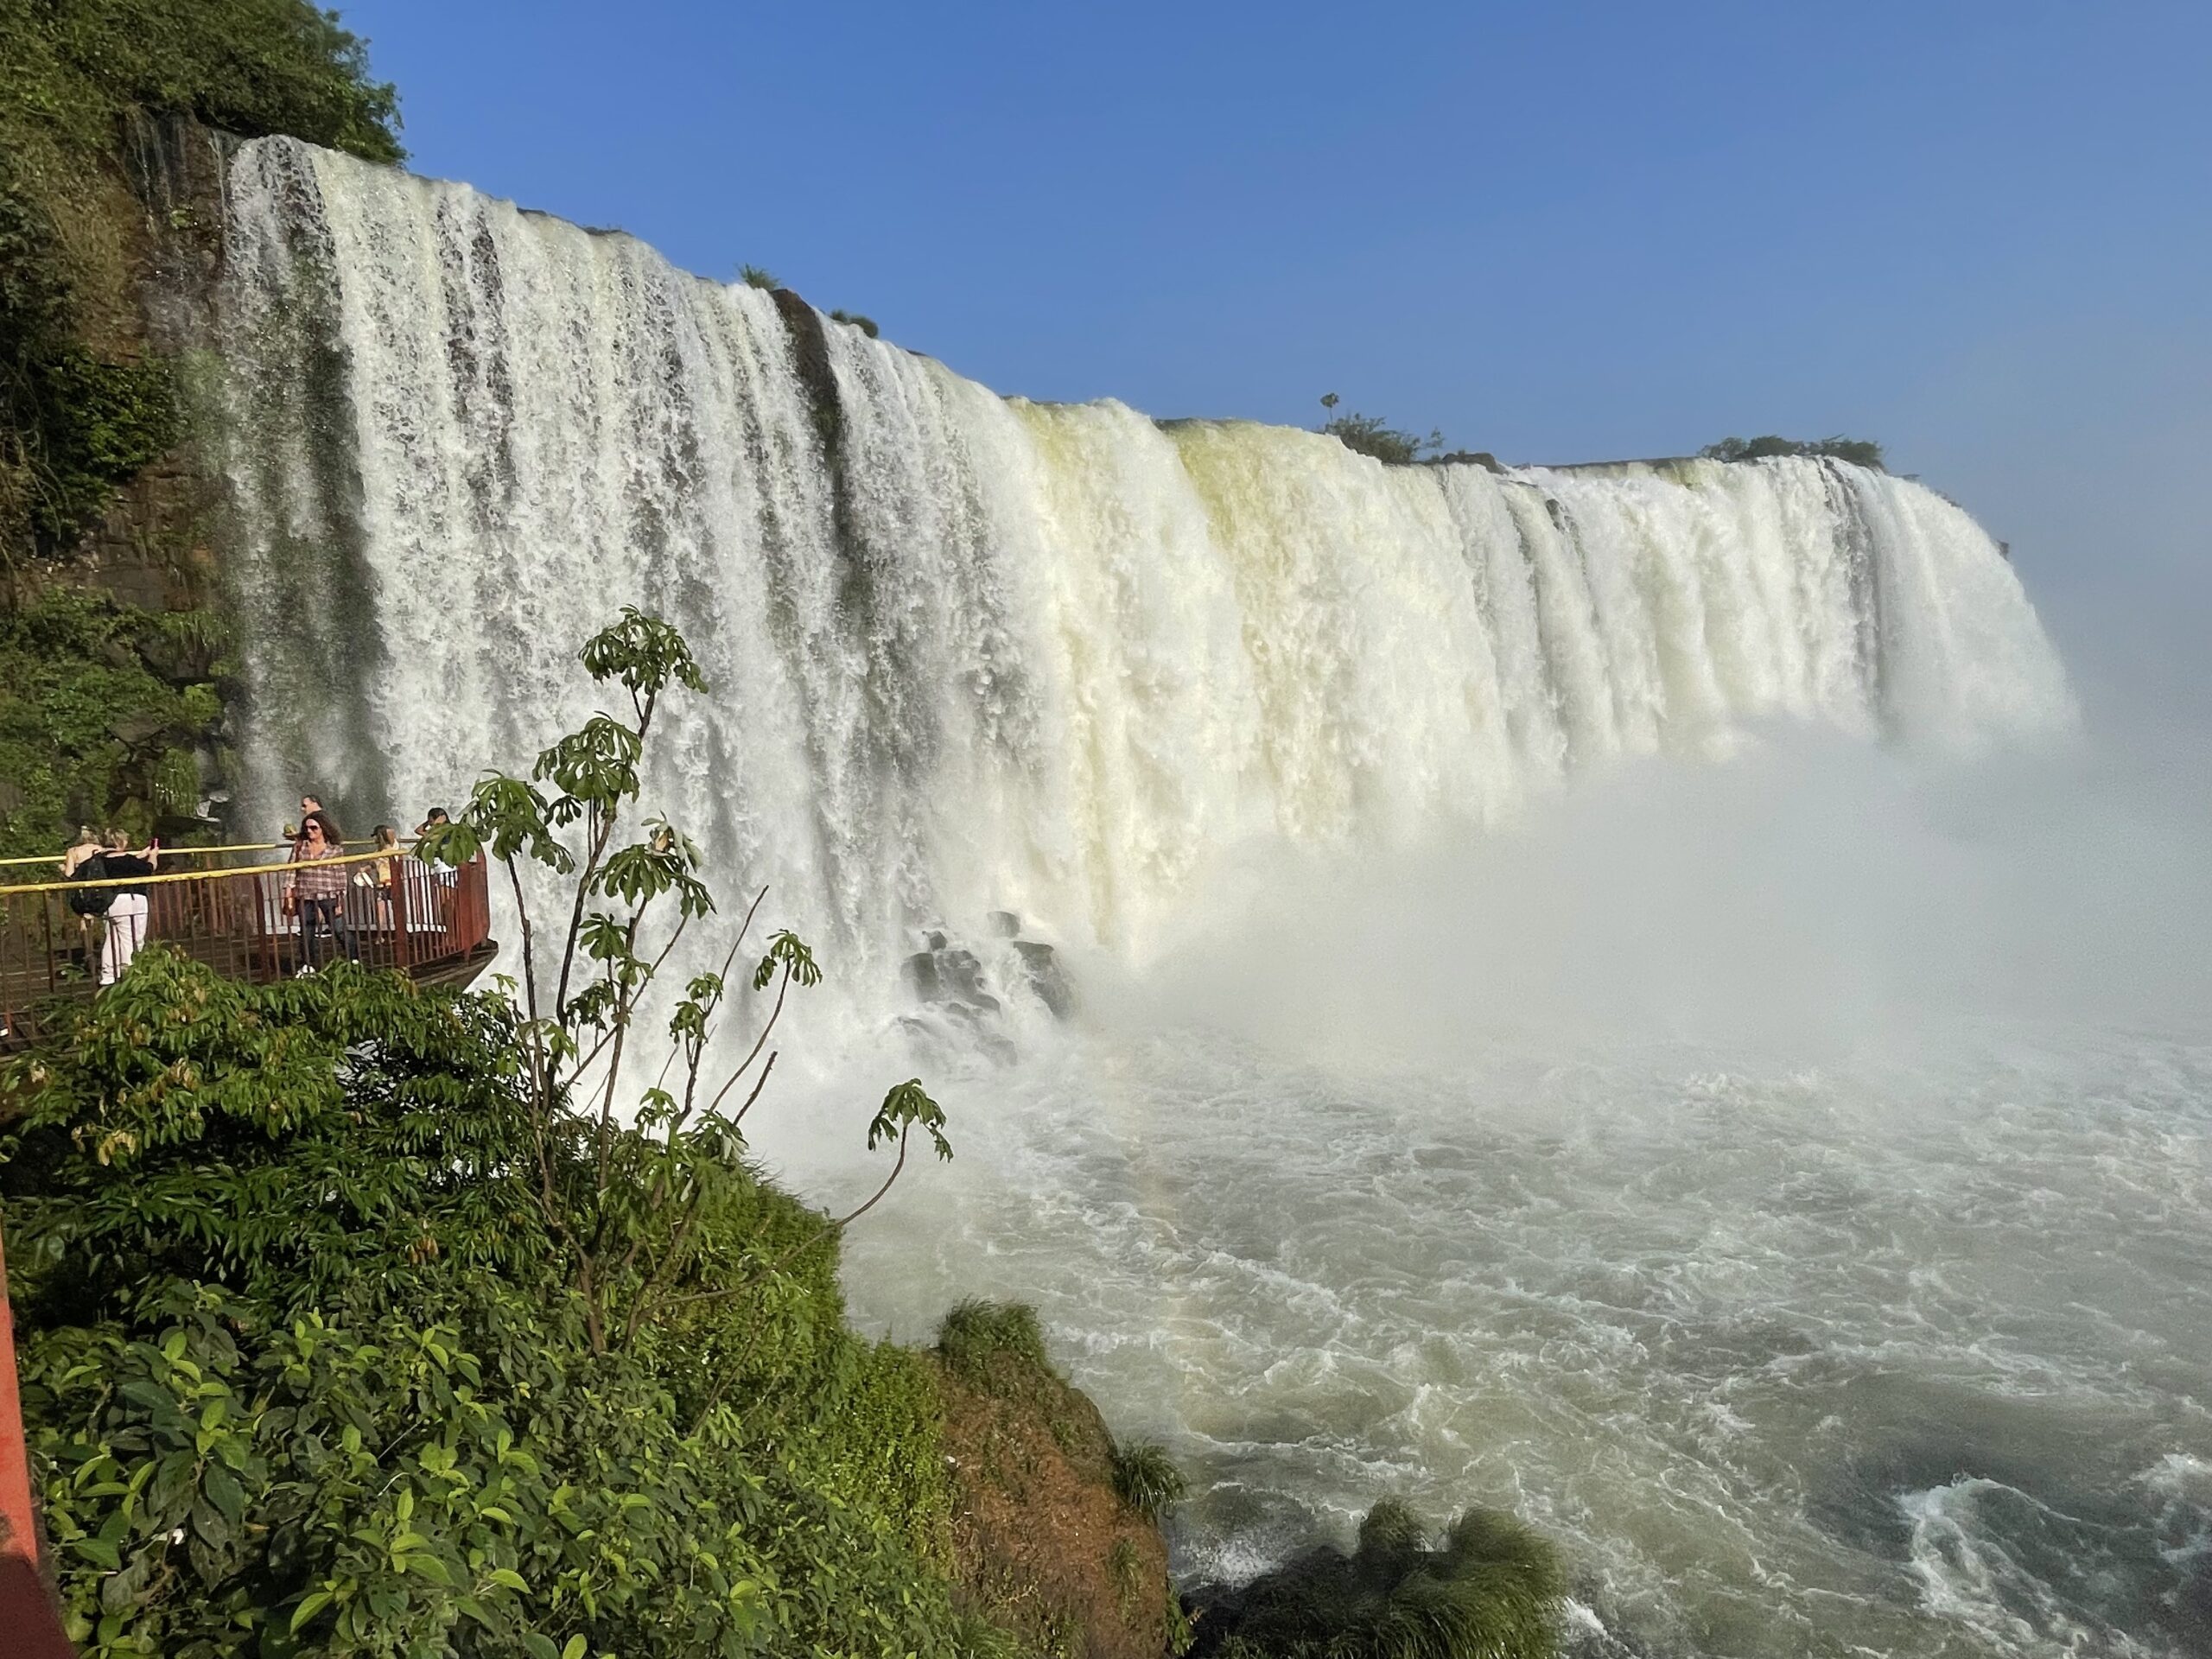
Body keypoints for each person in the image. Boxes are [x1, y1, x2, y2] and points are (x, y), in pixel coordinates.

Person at [286, 811, 354, 971]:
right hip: (305, 893)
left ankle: (354, 959)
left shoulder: (334, 849)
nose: (310, 831)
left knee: (339, 929)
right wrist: (288, 893)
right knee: (306, 931)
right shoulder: (300, 846)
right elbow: (290, 870)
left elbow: (340, 875)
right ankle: (308, 965)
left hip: (328, 893)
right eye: (307, 828)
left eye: (314, 828)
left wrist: (340, 900)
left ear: (323, 828)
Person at [96, 828, 160, 985]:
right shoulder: (128, 861)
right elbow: (148, 869)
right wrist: (152, 856)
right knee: (131, 938)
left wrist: (141, 855)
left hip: (109, 902)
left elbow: (122, 863)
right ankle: (129, 973)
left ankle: (108, 975)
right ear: (121, 841)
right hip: (130, 901)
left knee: (111, 939)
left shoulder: (101, 860)